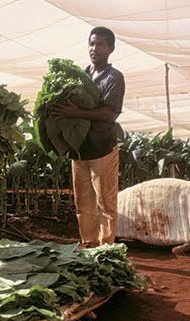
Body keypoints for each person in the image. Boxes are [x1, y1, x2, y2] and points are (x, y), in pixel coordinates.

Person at [51, 26, 125, 248]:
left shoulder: (114, 77)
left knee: (105, 203)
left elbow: (109, 114)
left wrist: (75, 112)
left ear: (110, 49)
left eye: (101, 44)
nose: (95, 48)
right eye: (92, 43)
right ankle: (89, 244)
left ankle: (107, 249)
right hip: (80, 150)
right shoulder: (82, 75)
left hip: (102, 149)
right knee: (83, 204)